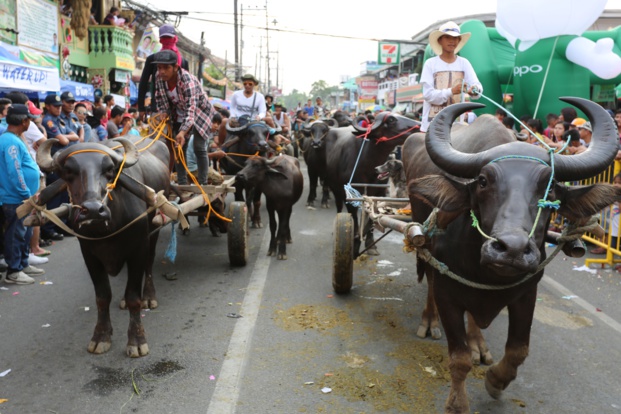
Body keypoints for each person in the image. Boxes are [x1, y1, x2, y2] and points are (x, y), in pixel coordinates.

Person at [152, 49, 216, 185]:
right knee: (178, 148)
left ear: (176, 67)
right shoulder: (159, 78)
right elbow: (161, 99)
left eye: (166, 68)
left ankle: (203, 183)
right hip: (179, 112)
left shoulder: (188, 81)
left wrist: (182, 132)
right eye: (159, 67)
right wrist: (163, 113)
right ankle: (182, 183)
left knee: (199, 147)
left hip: (200, 112)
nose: (162, 71)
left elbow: (191, 110)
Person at [0, 104, 46, 284]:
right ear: (24, 121)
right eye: (29, 120)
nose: (30, 123)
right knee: (16, 234)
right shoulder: (10, 141)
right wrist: (26, 193)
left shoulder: (14, 138)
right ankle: (14, 271)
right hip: (16, 197)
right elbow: (15, 171)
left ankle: (23, 263)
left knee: (24, 232)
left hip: (22, 196)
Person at [420, 21, 483, 133]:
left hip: (457, 127)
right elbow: (428, 95)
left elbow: (477, 87)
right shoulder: (430, 64)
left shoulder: (464, 63)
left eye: (455, 38)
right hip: (432, 125)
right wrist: (452, 91)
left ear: (458, 41)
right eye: (447, 37)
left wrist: (474, 90)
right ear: (440, 40)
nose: (452, 41)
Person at [41, 94, 80, 242]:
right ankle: (49, 229)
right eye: (55, 106)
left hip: (64, 164)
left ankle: (60, 225)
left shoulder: (60, 120)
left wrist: (69, 136)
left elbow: (75, 136)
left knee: (64, 197)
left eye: (59, 106)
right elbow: (64, 140)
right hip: (53, 164)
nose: (58, 108)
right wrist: (69, 136)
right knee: (54, 198)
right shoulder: (49, 121)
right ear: (48, 106)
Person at [137, 24, 190, 120]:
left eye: (168, 38)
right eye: (160, 67)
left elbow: (187, 89)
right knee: (158, 134)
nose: (162, 71)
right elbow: (143, 83)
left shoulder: (182, 62)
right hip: (158, 109)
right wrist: (141, 108)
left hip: (178, 111)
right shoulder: (152, 60)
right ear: (160, 40)